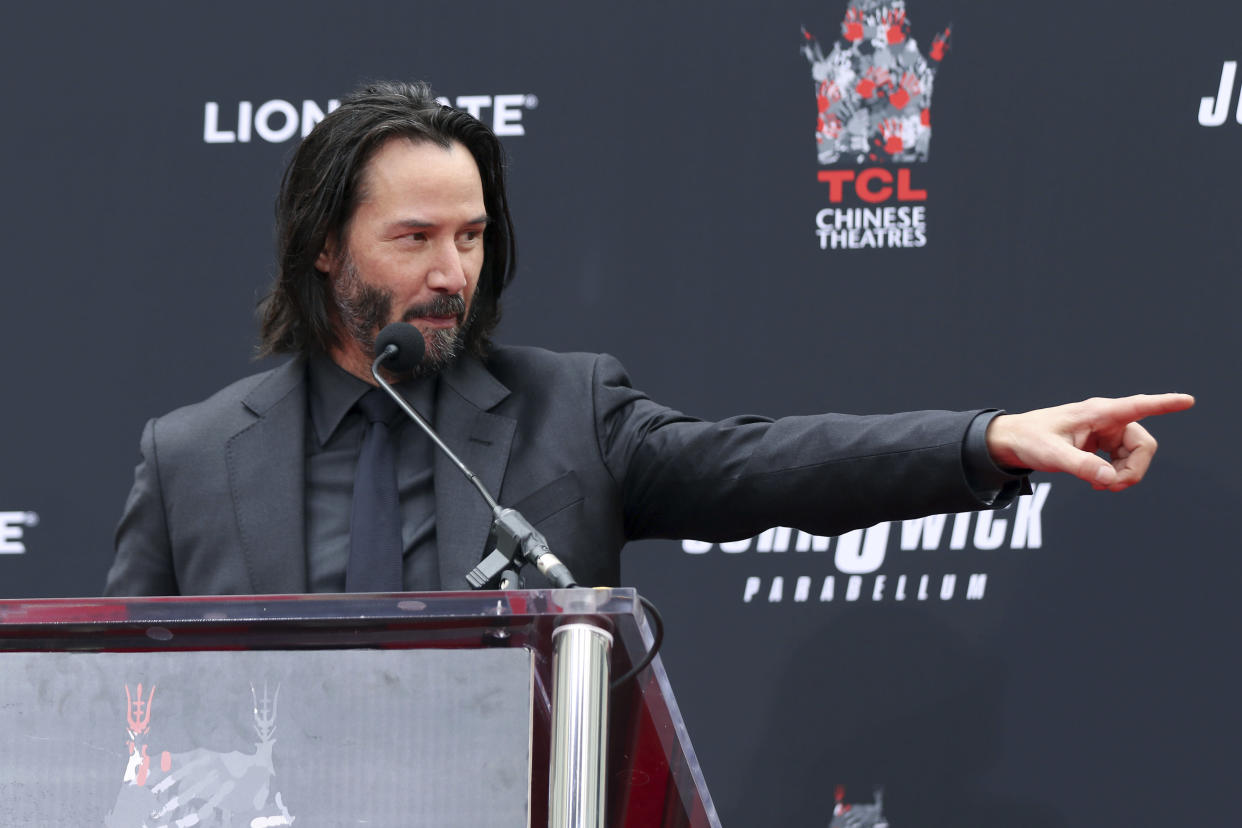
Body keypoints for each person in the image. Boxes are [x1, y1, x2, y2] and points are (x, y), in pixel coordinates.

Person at [103, 81, 1193, 597]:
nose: (454, 272)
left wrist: (987, 439)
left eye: (474, 236)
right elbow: (117, 706)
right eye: (417, 238)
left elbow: (767, 466)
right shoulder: (191, 456)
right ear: (325, 250)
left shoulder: (565, 414)